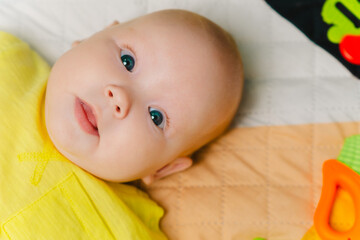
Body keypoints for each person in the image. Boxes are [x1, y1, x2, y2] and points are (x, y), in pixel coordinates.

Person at [0, 9, 243, 239]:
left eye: (155, 117)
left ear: (162, 168)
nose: (120, 97)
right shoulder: (6, 59)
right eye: (127, 61)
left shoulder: (126, 229)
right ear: (90, 38)